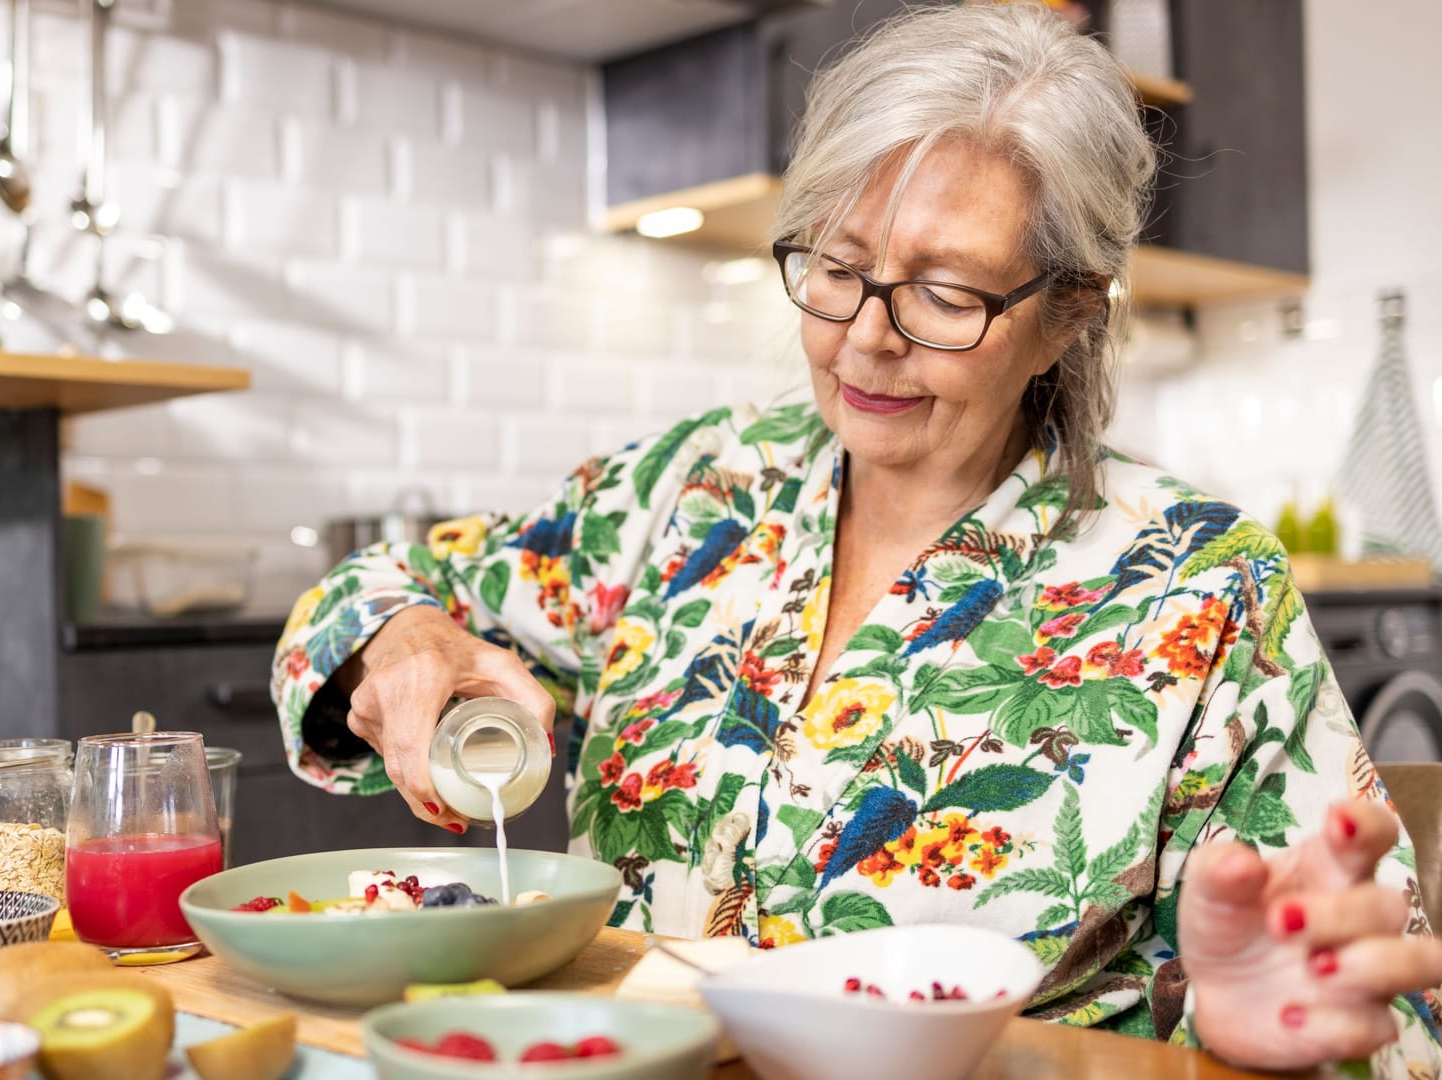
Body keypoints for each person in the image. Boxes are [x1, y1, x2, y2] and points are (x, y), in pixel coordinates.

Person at [270, 2, 1442, 1073]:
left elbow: (1393, 1024)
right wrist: (405, 637)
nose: (865, 341)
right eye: (837, 267)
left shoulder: (1199, 584)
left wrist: (1259, 1049)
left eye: (946, 294)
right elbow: (376, 588)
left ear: (1068, 316)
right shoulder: (690, 490)